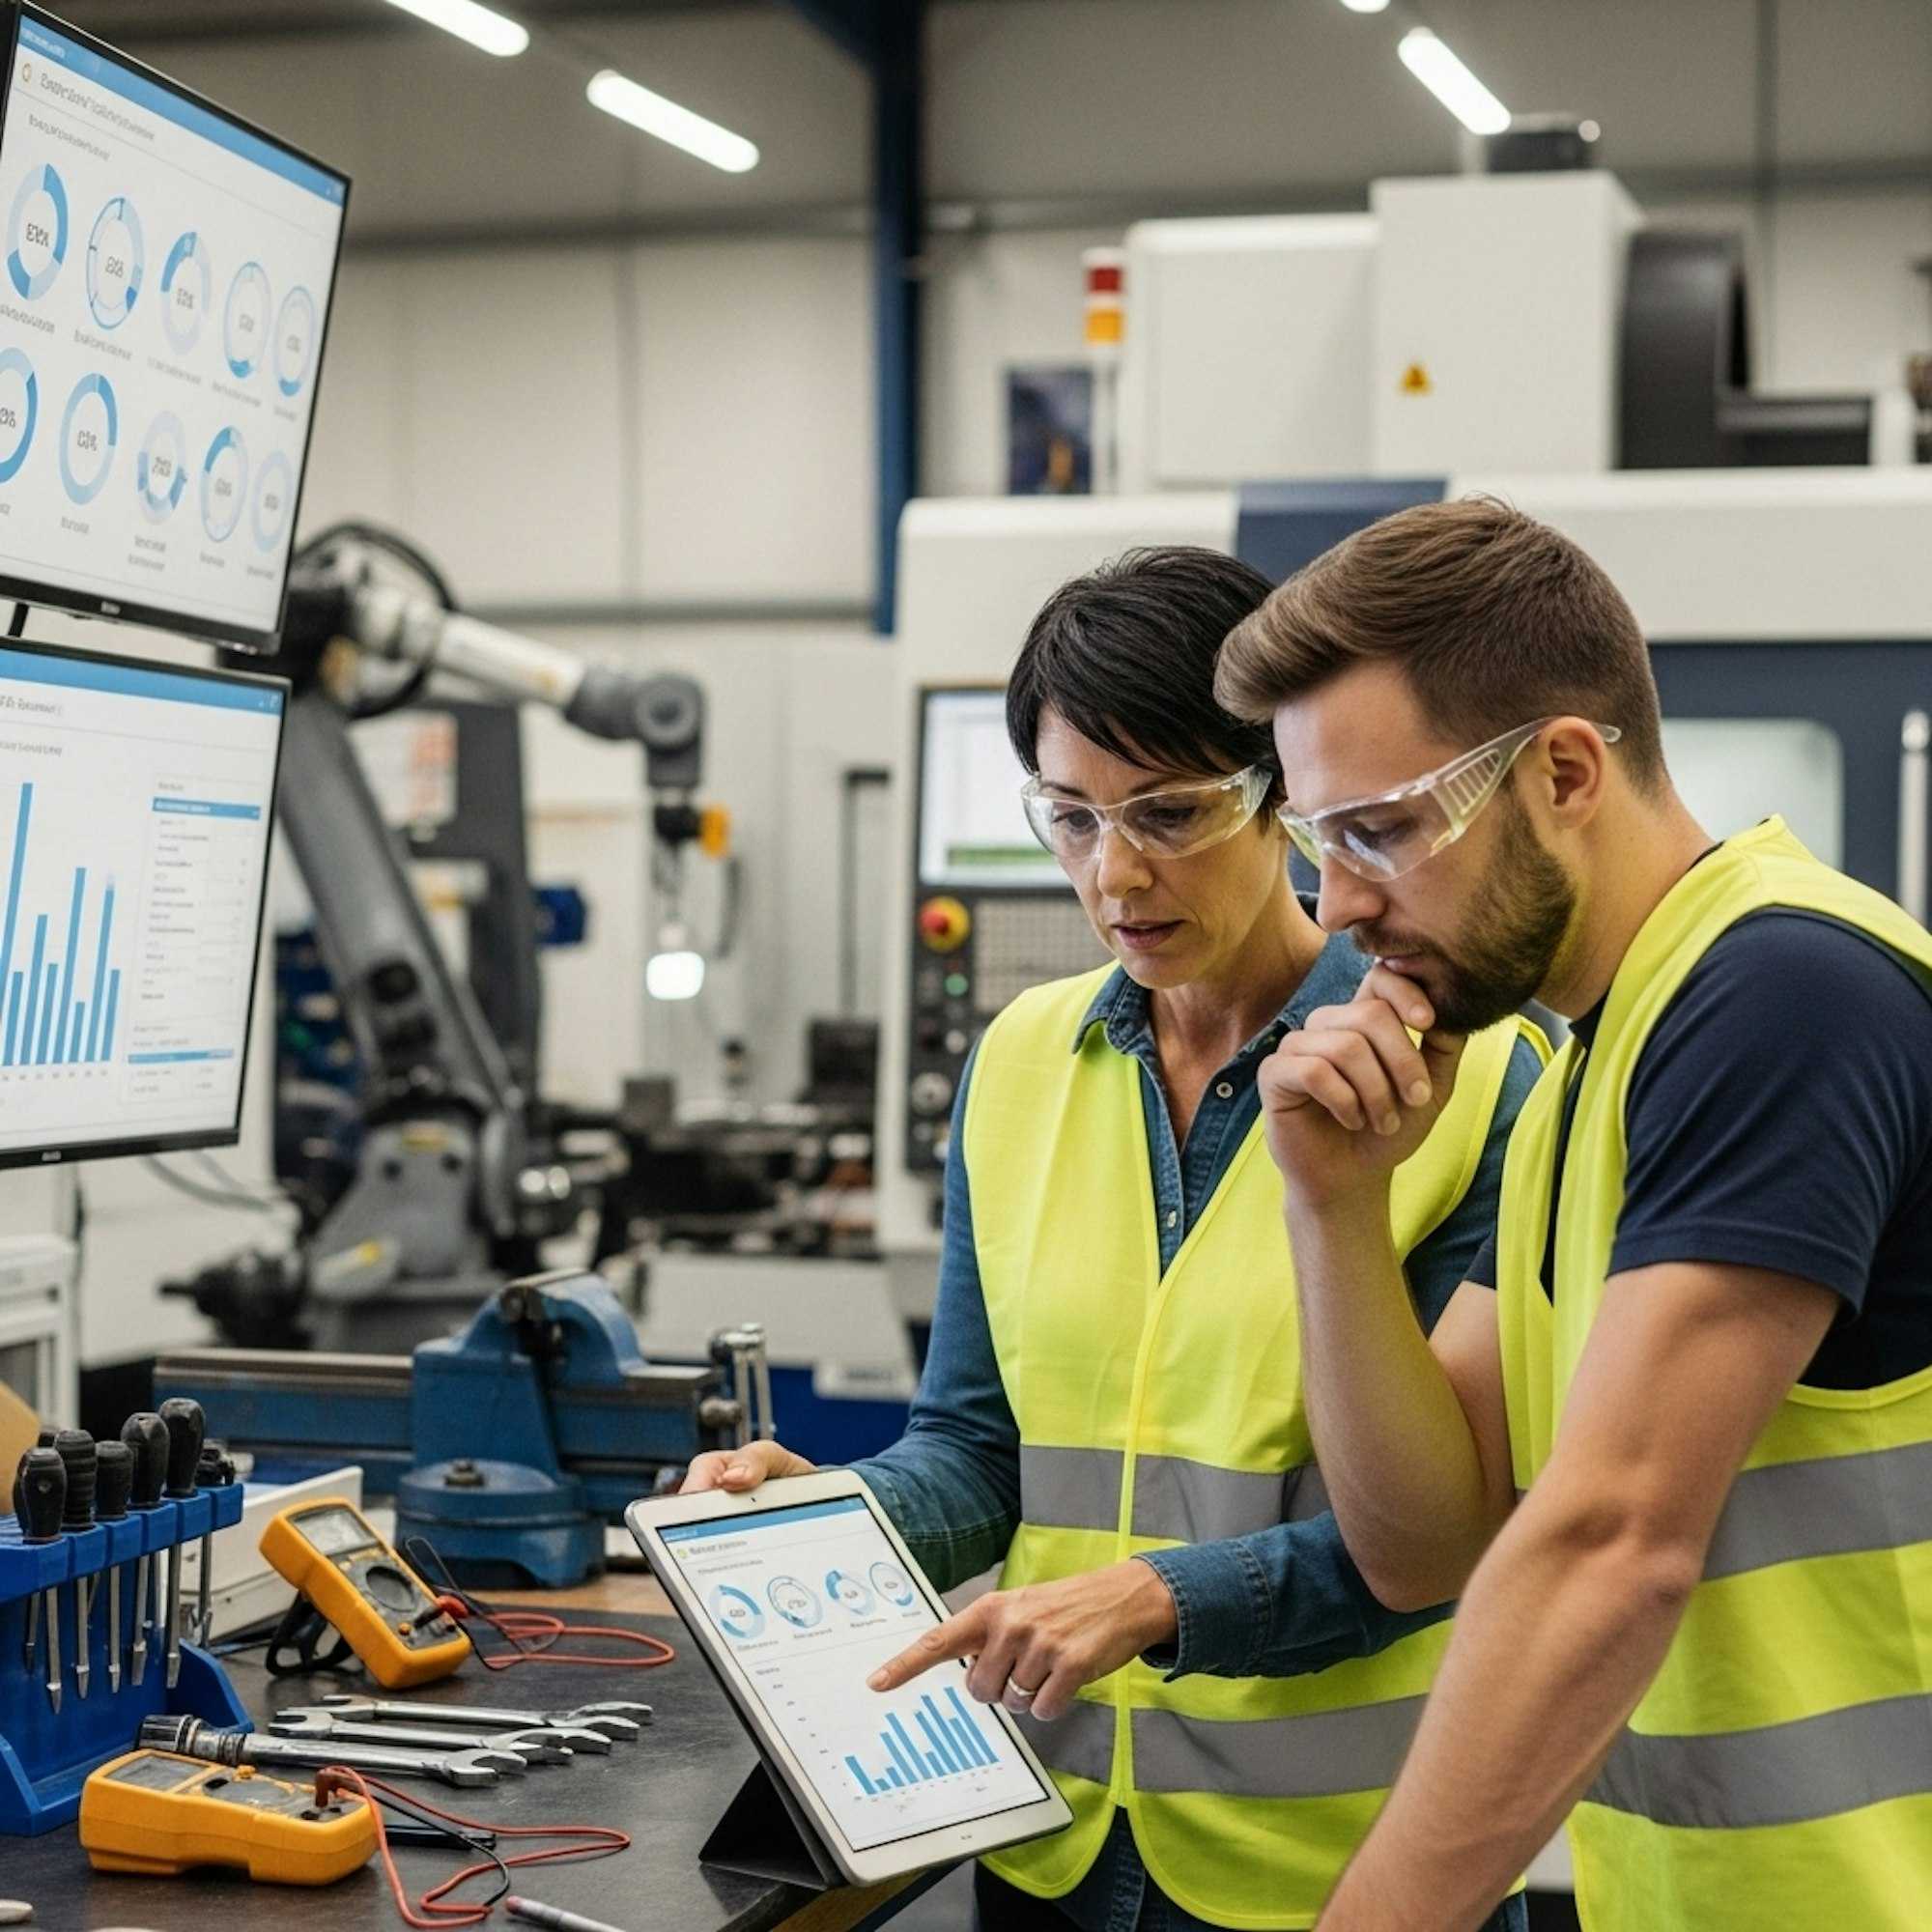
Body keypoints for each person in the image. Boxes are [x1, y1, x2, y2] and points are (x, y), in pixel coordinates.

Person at [683, 545, 1543, 1932]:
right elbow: (978, 1450)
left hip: (1338, 1869)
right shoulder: (1021, 1062)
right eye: (1069, 818)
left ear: (1287, 798)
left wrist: (1156, 1599)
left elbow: (1443, 1540)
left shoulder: (1474, 1082)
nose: (1116, 872)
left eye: (1170, 812)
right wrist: (833, 1519)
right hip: (1052, 1844)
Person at [1211, 496, 1932, 1932]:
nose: (1336, 905)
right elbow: (1424, 1541)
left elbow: (1612, 1542)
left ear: (1561, 770)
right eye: (1315, 841)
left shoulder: (1783, 992)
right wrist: (1333, 1208)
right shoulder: (1579, 1072)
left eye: (1379, 830)